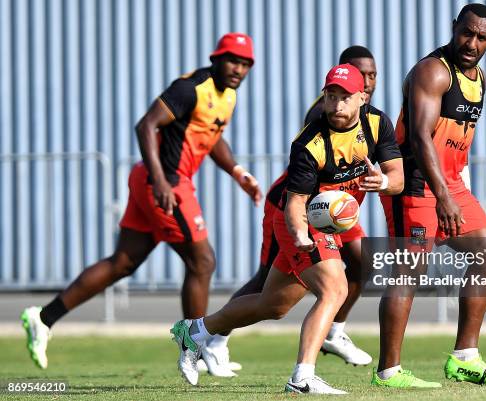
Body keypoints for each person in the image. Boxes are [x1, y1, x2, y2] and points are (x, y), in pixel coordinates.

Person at [20, 33, 262, 370]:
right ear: (215, 58)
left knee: (123, 262)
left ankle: (43, 318)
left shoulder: (228, 96)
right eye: (232, 60)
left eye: (245, 63)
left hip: (159, 180)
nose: (238, 68)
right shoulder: (190, 88)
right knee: (202, 261)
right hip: (165, 182)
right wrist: (161, 179)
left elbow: (213, 135)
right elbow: (145, 125)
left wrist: (238, 173)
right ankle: (193, 349)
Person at [170, 63, 404, 394]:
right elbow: (295, 203)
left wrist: (384, 181)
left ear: (362, 98)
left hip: (326, 224)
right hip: (302, 221)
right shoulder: (310, 142)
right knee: (334, 288)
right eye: (331, 96)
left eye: (345, 97)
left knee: (273, 305)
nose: (337, 105)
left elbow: (398, 178)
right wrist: (299, 234)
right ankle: (302, 378)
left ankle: (193, 332)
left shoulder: (378, 124)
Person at [199, 46, 378, 376]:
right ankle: (214, 339)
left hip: (335, 210)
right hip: (300, 207)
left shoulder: (371, 117)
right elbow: (307, 185)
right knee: (270, 284)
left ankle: (334, 330)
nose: (366, 81)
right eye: (359, 73)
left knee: (360, 262)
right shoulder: (323, 117)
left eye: (371, 76)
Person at [376, 3, 486, 388]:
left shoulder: (479, 78)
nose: (471, 43)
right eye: (466, 33)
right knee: (409, 269)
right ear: (455, 28)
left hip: (450, 184)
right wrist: (444, 196)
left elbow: (459, 139)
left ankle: (465, 357)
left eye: (481, 37)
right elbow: (420, 137)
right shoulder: (433, 71)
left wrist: (458, 187)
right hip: (417, 184)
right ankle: (388, 372)